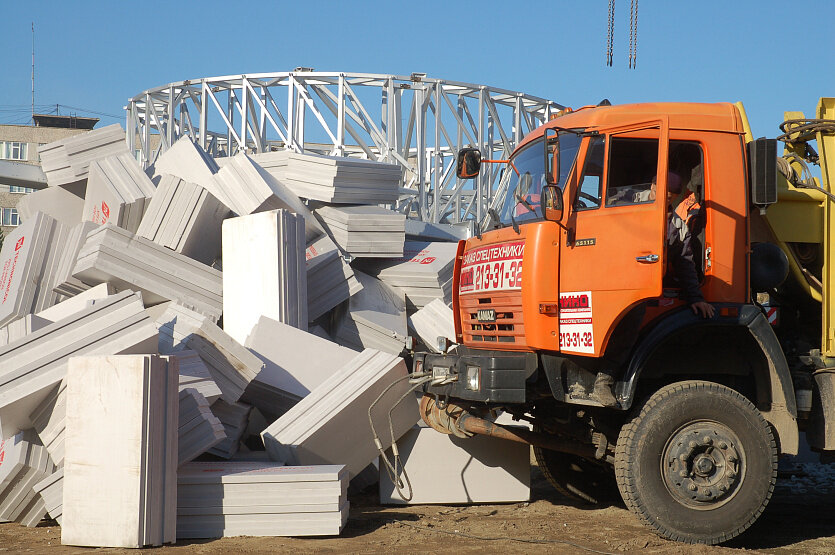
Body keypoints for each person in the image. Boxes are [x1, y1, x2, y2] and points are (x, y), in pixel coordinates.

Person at [591, 172, 714, 407]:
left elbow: (685, 262)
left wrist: (696, 297)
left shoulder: (677, 225)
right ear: (652, 185)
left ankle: (604, 380)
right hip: (607, 277)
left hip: (640, 285)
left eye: (669, 199)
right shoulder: (624, 201)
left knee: (635, 314)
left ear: (676, 198)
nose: (664, 201)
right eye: (660, 194)